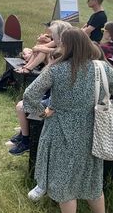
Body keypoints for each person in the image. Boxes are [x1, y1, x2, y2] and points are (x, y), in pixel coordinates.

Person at [23, 28, 113, 213]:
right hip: (93, 130)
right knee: (92, 177)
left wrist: (43, 112)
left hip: (60, 130)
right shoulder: (102, 68)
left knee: (64, 179)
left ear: (66, 46)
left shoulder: (56, 70)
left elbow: (30, 95)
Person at [8, 20, 72, 156]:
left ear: (60, 36)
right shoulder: (65, 49)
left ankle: (26, 141)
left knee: (21, 106)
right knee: (26, 105)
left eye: (53, 35)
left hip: (58, 101)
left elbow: (35, 89)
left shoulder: (61, 53)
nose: (51, 37)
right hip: (57, 96)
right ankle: (24, 132)